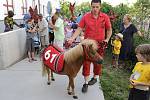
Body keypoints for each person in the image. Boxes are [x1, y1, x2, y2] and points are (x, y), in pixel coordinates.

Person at [67, 0, 112, 93]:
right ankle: (86, 83)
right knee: (86, 63)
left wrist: (107, 39)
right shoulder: (86, 16)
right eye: (93, 7)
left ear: (100, 7)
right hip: (88, 45)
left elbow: (109, 30)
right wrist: (72, 38)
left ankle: (95, 77)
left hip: (100, 45)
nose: (95, 9)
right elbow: (79, 28)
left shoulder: (105, 17)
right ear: (91, 6)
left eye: (97, 7)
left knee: (98, 62)